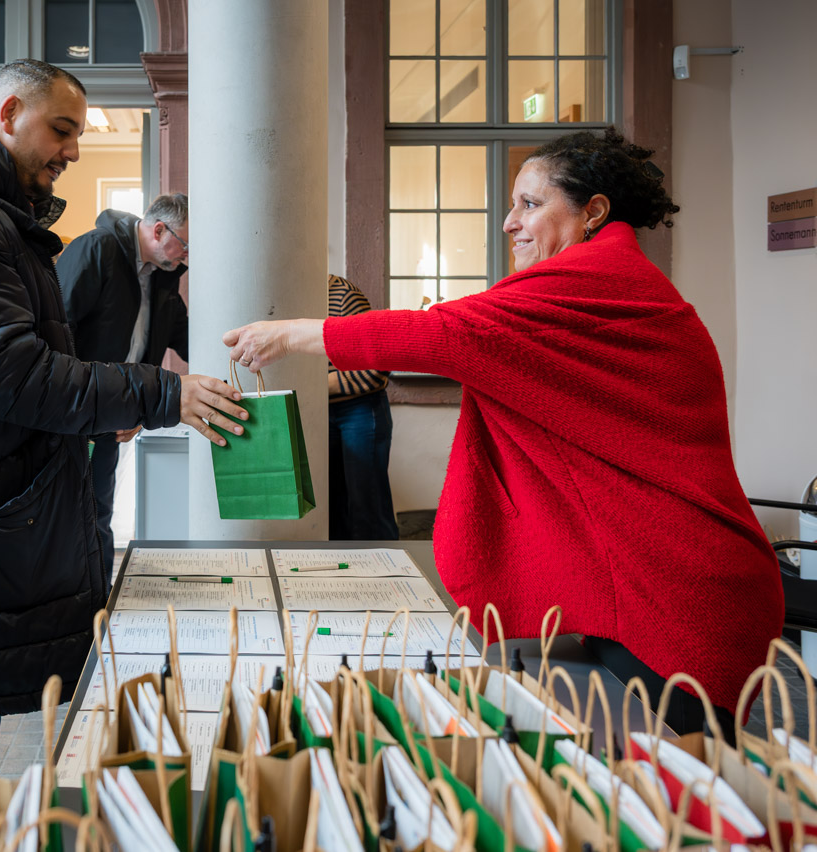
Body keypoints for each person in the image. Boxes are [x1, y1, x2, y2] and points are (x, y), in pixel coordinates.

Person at [224, 127, 782, 735]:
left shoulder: (593, 281)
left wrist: (291, 335)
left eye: (530, 204)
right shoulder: (609, 279)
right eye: (513, 204)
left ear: (593, 211)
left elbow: (446, 333)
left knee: (675, 779)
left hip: (679, 593)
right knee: (643, 766)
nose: (510, 222)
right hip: (659, 575)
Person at [0, 59, 247, 851]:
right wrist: (157, 395)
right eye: (61, 130)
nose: (72, 150)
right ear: (7, 113)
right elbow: (18, 375)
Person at [58, 193, 191, 559]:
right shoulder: (98, 249)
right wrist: (70, 405)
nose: (186, 256)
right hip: (70, 414)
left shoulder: (163, 279)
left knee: (97, 516)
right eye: (184, 245)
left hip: (110, 417)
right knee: (65, 520)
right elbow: (57, 327)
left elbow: (185, 339)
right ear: (159, 230)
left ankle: (99, 596)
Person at [326, 274, 399, 541]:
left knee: (368, 506)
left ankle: (387, 564)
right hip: (321, 410)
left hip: (359, 410)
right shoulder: (293, 296)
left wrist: (316, 385)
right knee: (332, 509)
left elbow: (376, 368)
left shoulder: (344, 296)